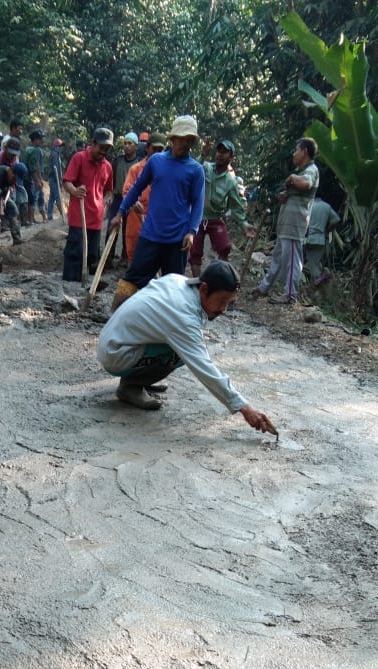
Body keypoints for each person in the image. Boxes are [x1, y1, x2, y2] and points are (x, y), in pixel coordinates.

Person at [97, 259, 274, 435]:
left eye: (228, 302)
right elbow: (203, 366)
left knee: (184, 345)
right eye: (221, 300)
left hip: (115, 341)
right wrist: (245, 408)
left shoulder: (177, 280)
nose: (224, 309)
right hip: (116, 354)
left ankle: (137, 379)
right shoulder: (182, 315)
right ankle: (131, 386)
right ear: (204, 289)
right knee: (181, 352)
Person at [109, 115, 205, 309]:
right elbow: (136, 188)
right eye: (181, 138)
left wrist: (191, 231)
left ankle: (163, 327)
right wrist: (120, 212)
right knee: (133, 279)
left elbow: (198, 204)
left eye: (189, 140)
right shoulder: (156, 162)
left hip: (177, 240)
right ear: (173, 139)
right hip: (151, 234)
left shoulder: (196, 170)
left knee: (174, 288)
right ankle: (117, 316)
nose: (185, 143)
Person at [253, 137, 319, 304]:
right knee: (277, 258)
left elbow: (306, 184)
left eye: (296, 150)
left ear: (304, 151)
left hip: (295, 224)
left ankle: (290, 295)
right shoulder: (301, 171)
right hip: (287, 224)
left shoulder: (311, 170)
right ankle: (264, 287)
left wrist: (291, 178)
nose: (294, 154)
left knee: (291, 261)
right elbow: (297, 191)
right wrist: (285, 195)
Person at [189, 138, 255, 276]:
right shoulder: (206, 168)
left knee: (225, 247)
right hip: (198, 216)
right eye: (218, 151)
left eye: (224, 152)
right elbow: (192, 168)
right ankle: (197, 284)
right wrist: (203, 154)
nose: (219, 154)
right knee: (194, 251)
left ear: (231, 157)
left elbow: (236, 206)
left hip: (215, 219)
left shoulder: (230, 181)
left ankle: (217, 278)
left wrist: (244, 224)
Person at [62, 127, 114, 283]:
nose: (103, 152)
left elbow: (109, 191)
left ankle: (87, 283)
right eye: (101, 147)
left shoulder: (108, 166)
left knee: (92, 254)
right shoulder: (79, 158)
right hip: (79, 216)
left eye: (107, 149)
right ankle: (70, 282)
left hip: (96, 218)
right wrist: (75, 191)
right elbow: (66, 182)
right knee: (75, 252)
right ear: (93, 143)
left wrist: (107, 200)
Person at [121, 132, 166, 262]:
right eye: (154, 149)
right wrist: (134, 202)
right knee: (134, 254)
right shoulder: (135, 169)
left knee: (154, 256)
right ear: (147, 148)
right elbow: (127, 191)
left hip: (157, 219)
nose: (157, 153)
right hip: (136, 218)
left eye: (160, 150)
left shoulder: (167, 171)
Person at [106, 132, 139, 261]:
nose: (126, 146)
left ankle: (126, 258)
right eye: (125, 143)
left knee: (128, 230)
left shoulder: (138, 162)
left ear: (136, 146)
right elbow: (111, 179)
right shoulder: (118, 161)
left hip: (131, 200)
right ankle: (108, 257)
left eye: (130, 143)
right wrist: (110, 194)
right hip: (118, 198)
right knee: (112, 226)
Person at [305, 197, 340, 286]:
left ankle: (318, 284)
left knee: (312, 265)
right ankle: (320, 282)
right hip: (321, 239)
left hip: (309, 238)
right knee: (316, 263)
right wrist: (328, 230)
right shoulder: (326, 206)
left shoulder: (309, 205)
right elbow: (336, 219)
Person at [23, 129, 47, 222]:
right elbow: (34, 167)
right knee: (34, 197)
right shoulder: (35, 150)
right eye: (40, 139)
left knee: (38, 196)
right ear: (35, 140)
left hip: (29, 177)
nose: (42, 141)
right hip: (33, 178)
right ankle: (31, 219)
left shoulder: (28, 149)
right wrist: (38, 180)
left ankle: (39, 217)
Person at [47, 138, 64, 221]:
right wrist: (59, 180)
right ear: (56, 146)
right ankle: (62, 214)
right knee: (58, 196)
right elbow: (56, 168)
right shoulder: (55, 154)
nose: (61, 148)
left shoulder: (56, 154)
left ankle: (49, 215)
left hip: (53, 178)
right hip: (54, 178)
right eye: (60, 146)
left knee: (52, 197)